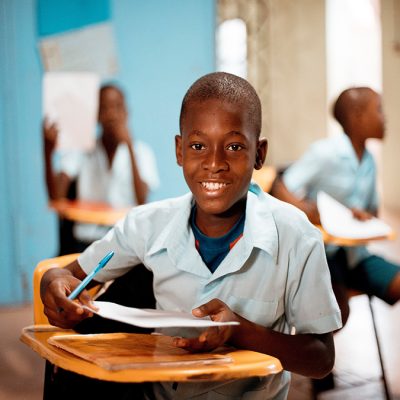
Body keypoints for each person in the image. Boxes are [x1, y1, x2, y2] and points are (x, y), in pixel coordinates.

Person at [41, 72, 341, 399]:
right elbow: (66, 276)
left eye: (234, 146)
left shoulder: (296, 236)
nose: (214, 163)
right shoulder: (147, 224)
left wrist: (241, 331)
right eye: (198, 146)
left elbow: (322, 358)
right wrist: (54, 286)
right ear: (179, 150)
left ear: (259, 153)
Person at [271, 87, 400, 328]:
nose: (385, 118)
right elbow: (281, 187)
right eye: (379, 110)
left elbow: (373, 212)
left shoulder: (369, 160)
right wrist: (308, 211)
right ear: (358, 116)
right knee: (337, 310)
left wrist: (365, 216)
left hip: (355, 256)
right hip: (324, 256)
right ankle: (317, 361)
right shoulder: (325, 153)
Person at [43, 84, 159, 252]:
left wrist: (129, 146)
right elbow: (56, 198)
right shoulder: (81, 151)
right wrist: (48, 152)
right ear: (96, 116)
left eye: (117, 107)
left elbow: (142, 200)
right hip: (85, 243)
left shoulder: (142, 152)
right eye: (105, 108)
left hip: (125, 244)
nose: (112, 114)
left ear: (127, 113)